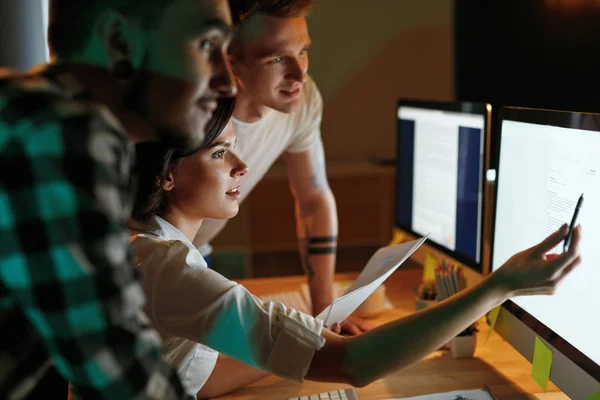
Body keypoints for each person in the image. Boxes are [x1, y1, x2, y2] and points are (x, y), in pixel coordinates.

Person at [131, 102, 582, 391]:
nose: (242, 165)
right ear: (165, 174)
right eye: (218, 153)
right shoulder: (170, 270)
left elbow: (198, 376)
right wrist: (498, 286)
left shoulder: (153, 252)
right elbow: (356, 365)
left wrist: (304, 341)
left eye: (234, 148)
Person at [0, 0, 236, 398]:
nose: (227, 81)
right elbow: (117, 372)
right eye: (207, 45)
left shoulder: (33, 111)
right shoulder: (66, 134)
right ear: (119, 40)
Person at [190, 0, 375, 334]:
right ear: (231, 63)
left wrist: (325, 313)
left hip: (198, 255)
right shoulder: (192, 112)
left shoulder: (302, 99)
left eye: (303, 51)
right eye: (277, 59)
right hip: (145, 261)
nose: (300, 73)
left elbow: (314, 198)